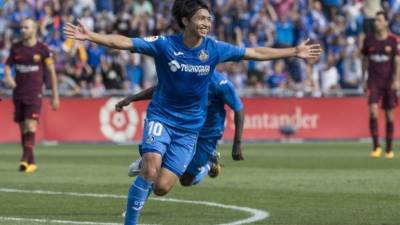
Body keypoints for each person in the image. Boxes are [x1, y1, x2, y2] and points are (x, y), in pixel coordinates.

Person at [64, 0, 321, 224]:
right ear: (185, 20)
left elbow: (254, 52)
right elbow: (124, 41)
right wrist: (92, 36)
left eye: (209, 18)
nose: (206, 22)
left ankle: (148, 161)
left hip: (190, 129)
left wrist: (293, 52)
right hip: (161, 118)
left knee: (163, 187)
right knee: (151, 171)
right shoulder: (164, 45)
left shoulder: (214, 48)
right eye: (201, 18)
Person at [116, 71, 244, 186]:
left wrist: (237, 144)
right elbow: (160, 89)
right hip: (185, 127)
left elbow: (238, 109)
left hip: (207, 134)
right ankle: (135, 205)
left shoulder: (220, 83)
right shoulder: (186, 73)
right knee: (155, 165)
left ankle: (209, 164)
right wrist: (131, 98)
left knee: (186, 180)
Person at [4, 18, 60, 173]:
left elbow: (51, 72)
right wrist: (8, 77)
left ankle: (24, 159)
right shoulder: (16, 48)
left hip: (35, 93)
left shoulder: (42, 49)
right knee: (23, 128)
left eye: (26, 27)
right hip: (18, 93)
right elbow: (7, 66)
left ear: (34, 29)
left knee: (31, 125)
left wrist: (55, 96)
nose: (22, 30)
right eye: (21, 27)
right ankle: (31, 161)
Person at [362, 11, 400, 159]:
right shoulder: (368, 40)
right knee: (372, 110)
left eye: (379, 20)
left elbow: (397, 61)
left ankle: (389, 148)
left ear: (386, 23)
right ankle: (376, 146)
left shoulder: (393, 40)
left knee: (389, 115)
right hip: (373, 81)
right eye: (375, 20)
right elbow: (364, 60)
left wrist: (397, 80)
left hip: (389, 81)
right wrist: (363, 77)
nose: (376, 23)